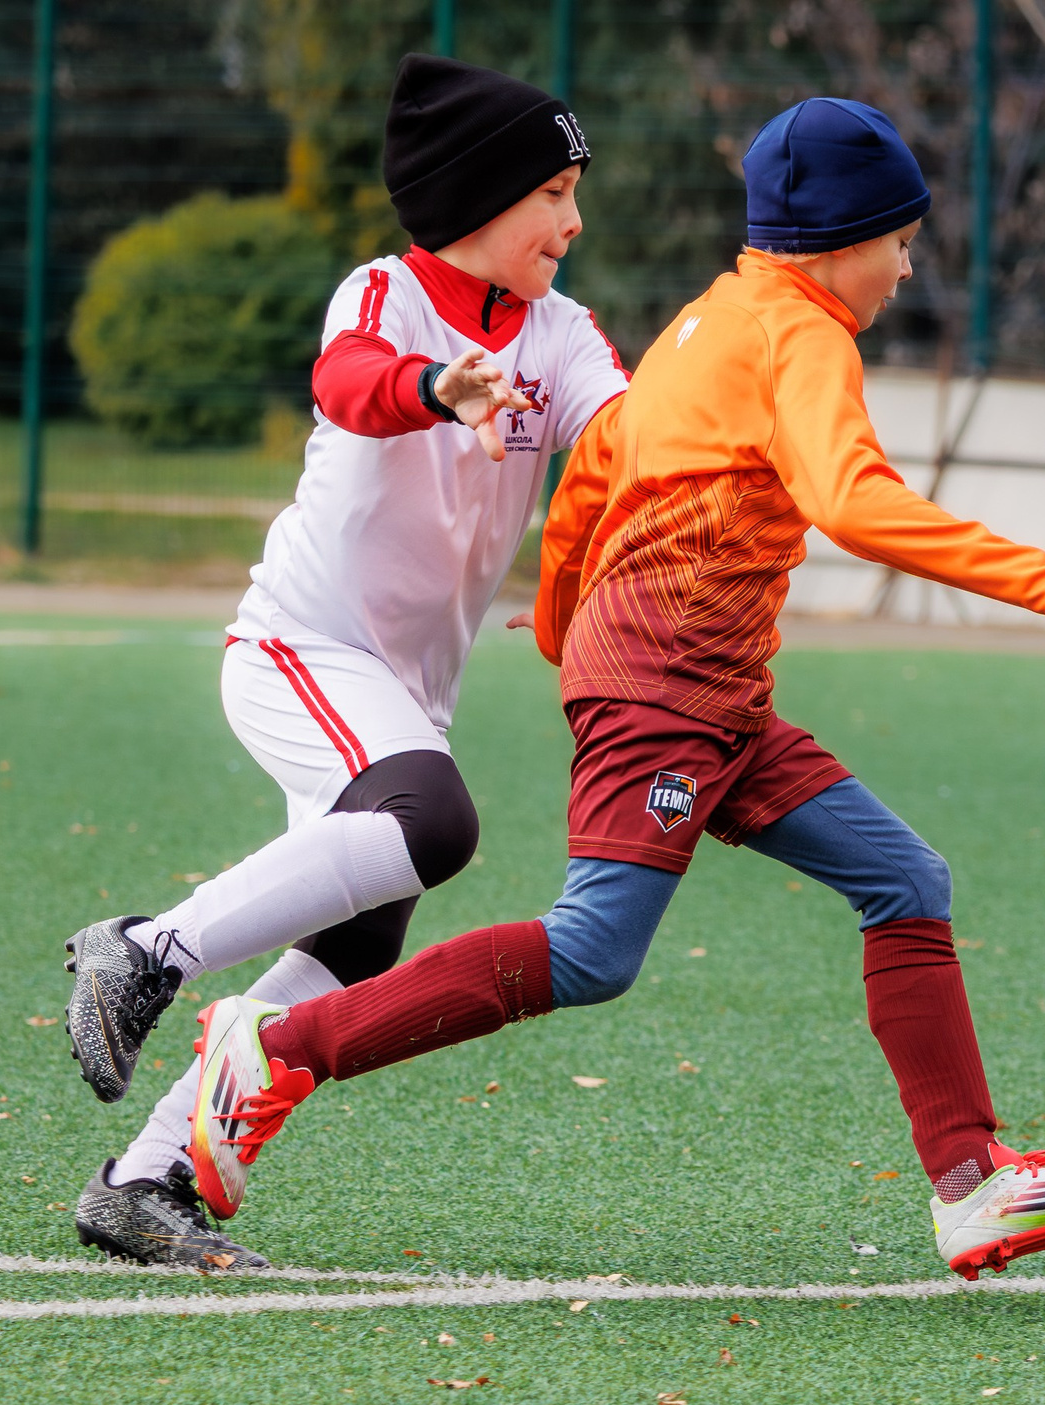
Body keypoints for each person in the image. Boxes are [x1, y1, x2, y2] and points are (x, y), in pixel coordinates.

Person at [177, 97, 1045, 1280]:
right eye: (900, 241)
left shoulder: (713, 319)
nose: (905, 268)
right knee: (593, 951)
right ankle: (278, 1045)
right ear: (841, 241)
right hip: (670, 686)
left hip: (701, 689)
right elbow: (851, 500)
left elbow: (597, 473)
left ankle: (970, 1184)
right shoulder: (802, 335)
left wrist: (564, 630)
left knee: (903, 879)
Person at [63, 54, 630, 1269]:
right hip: (300, 649)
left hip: (400, 691)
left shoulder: (566, 336)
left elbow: (631, 437)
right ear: (479, 197)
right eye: (553, 194)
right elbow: (351, 385)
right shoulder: (380, 293)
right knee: (435, 821)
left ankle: (144, 1182)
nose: (574, 222)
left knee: (362, 936)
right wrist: (440, 385)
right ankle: (144, 950)